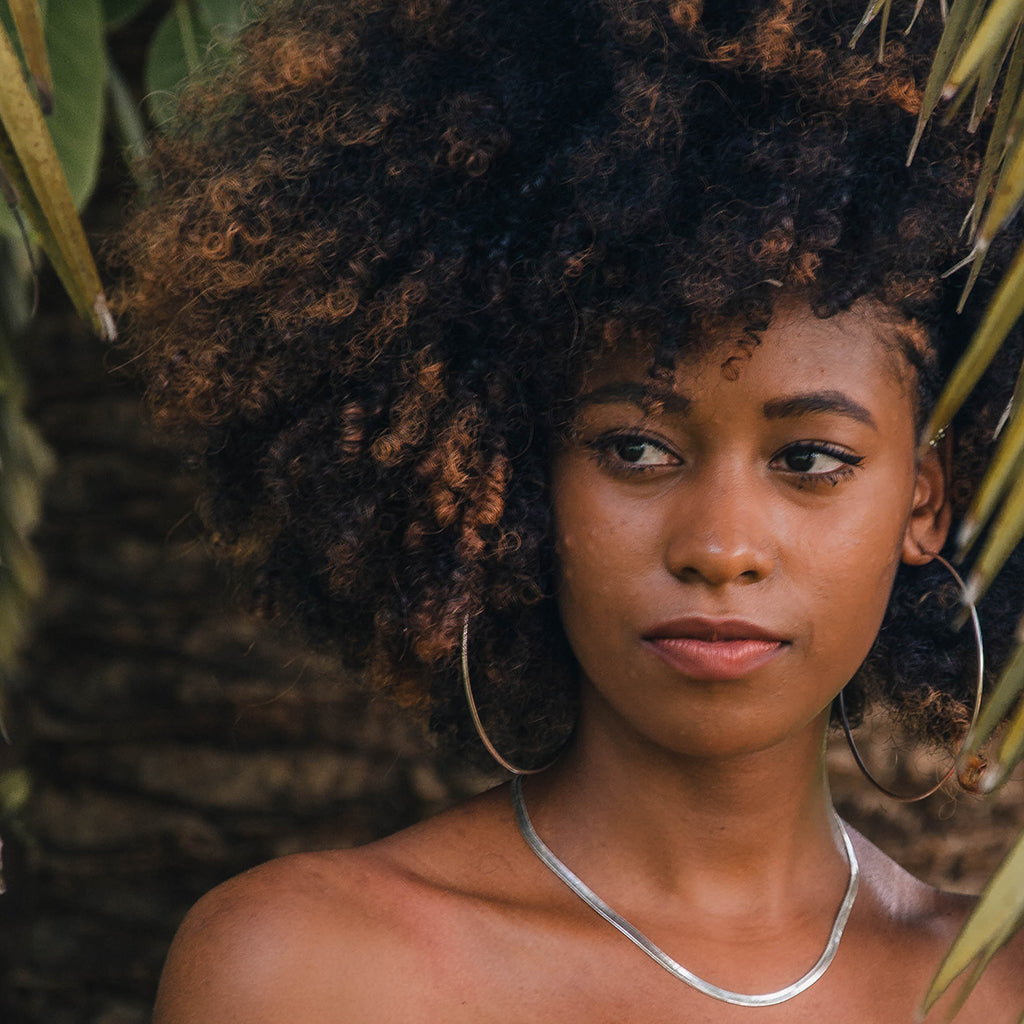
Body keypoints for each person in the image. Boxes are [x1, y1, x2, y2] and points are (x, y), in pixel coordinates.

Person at [112, 0, 1024, 1019]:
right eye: (636, 449)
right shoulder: (312, 968)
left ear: (926, 495)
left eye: (810, 457)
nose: (720, 548)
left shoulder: (994, 986)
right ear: (504, 471)